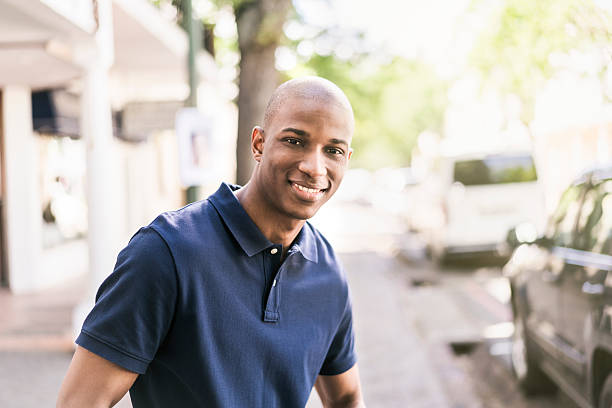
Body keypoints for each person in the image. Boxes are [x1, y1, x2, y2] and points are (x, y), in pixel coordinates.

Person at [57, 76, 365, 408]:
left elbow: (346, 397)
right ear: (259, 144)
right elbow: (81, 402)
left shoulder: (329, 273)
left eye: (332, 150)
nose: (314, 167)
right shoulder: (166, 252)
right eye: (294, 141)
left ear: (346, 158)